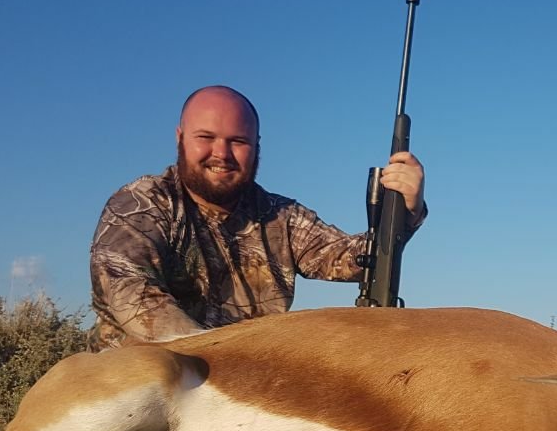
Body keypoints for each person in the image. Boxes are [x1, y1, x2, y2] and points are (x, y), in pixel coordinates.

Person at [89, 85, 426, 348]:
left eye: (237, 141)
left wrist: (406, 211)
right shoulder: (140, 204)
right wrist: (226, 363)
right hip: (142, 393)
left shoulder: (279, 216)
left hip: (242, 394)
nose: (221, 153)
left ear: (257, 146)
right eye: (206, 137)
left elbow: (356, 259)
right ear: (180, 139)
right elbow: (132, 297)